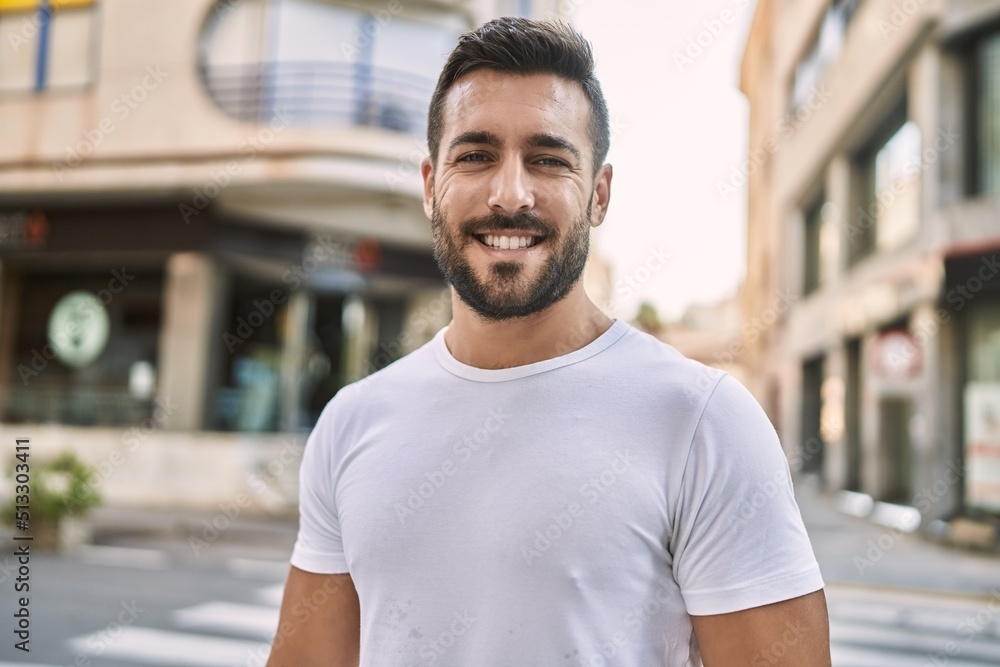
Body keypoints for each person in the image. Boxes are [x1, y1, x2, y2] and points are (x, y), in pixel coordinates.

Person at [266, 16, 831, 667]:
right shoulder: (351, 423)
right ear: (430, 186)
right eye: (476, 156)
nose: (510, 194)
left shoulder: (703, 419)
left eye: (548, 159)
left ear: (599, 194)